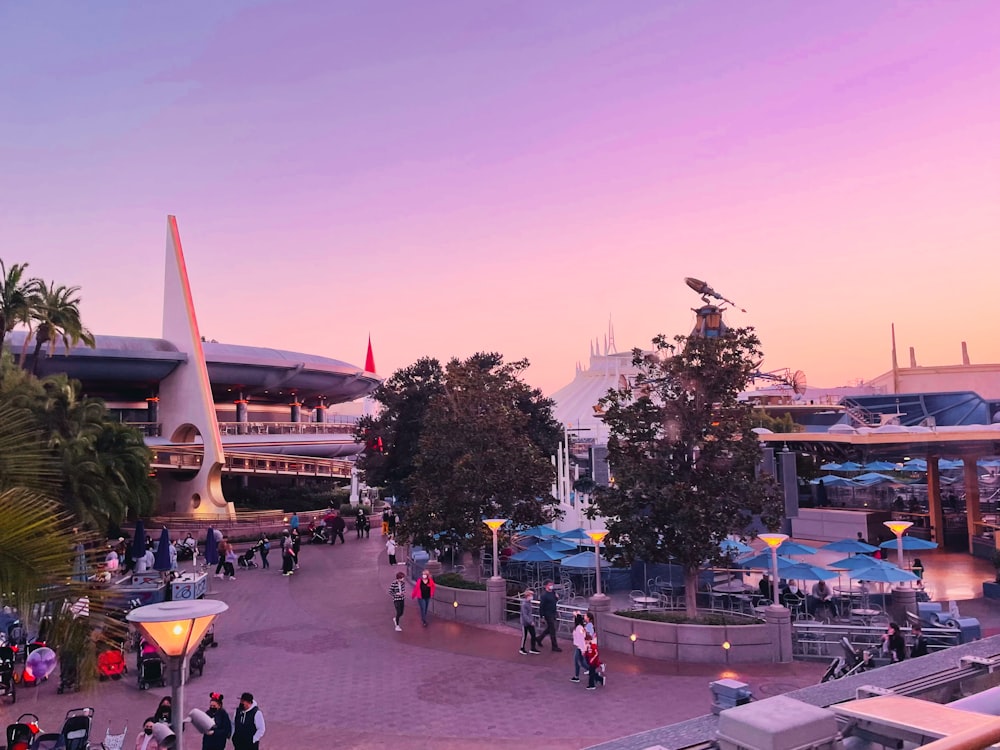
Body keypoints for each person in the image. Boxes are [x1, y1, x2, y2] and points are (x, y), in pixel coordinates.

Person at [536, 580, 562, 652]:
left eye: (552, 584)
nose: (552, 586)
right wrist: (541, 616)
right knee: (552, 630)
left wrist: (557, 598)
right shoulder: (544, 595)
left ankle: (539, 638)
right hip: (548, 614)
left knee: (550, 628)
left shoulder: (553, 592)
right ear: (546, 586)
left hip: (553, 612)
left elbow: (554, 601)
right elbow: (541, 606)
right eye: (550, 584)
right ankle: (554, 646)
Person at [519, 589, 541, 655]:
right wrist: (530, 621)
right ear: (527, 596)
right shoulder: (524, 604)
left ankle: (533, 648)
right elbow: (525, 615)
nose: (532, 596)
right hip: (525, 623)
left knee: (533, 635)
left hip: (530, 621)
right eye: (531, 595)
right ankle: (522, 648)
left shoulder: (529, 603)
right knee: (524, 636)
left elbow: (530, 613)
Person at [570, 613, 588, 682]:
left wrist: (583, 649)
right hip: (580, 647)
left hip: (580, 648)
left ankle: (576, 676)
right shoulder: (579, 627)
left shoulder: (579, 628)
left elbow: (581, 639)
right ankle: (593, 672)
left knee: (576, 661)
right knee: (582, 662)